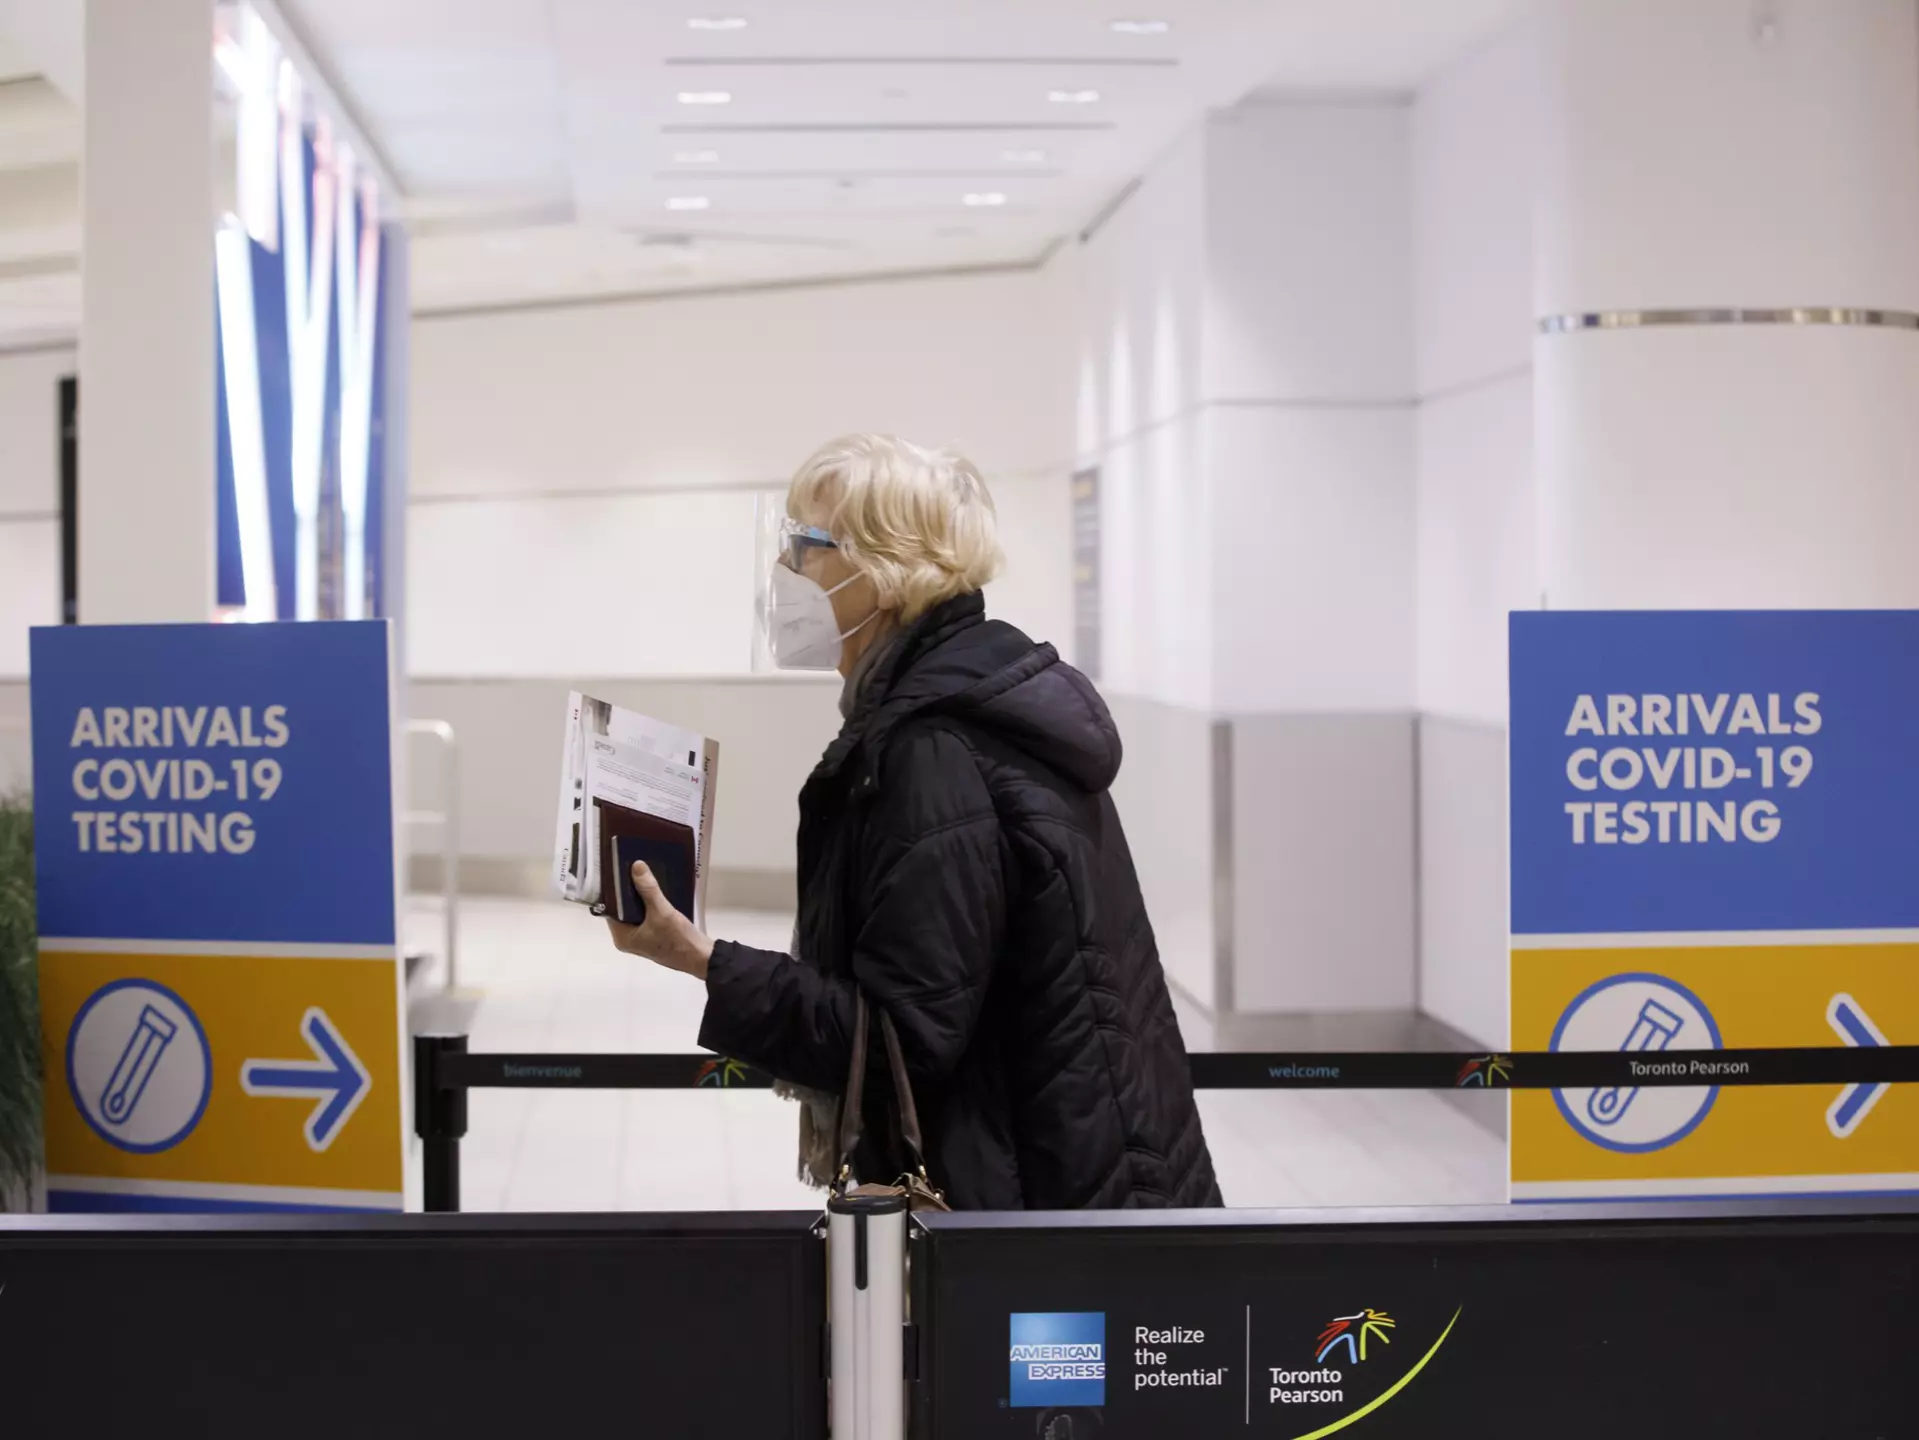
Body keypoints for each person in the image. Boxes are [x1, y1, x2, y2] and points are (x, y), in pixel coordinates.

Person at [609, 433, 1221, 1209]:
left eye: (806, 545)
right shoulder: (964, 705)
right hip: (1067, 1172)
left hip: (1033, 1210)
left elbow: (898, 1036)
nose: (784, 572)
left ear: (884, 570)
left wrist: (703, 960)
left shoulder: (932, 750)